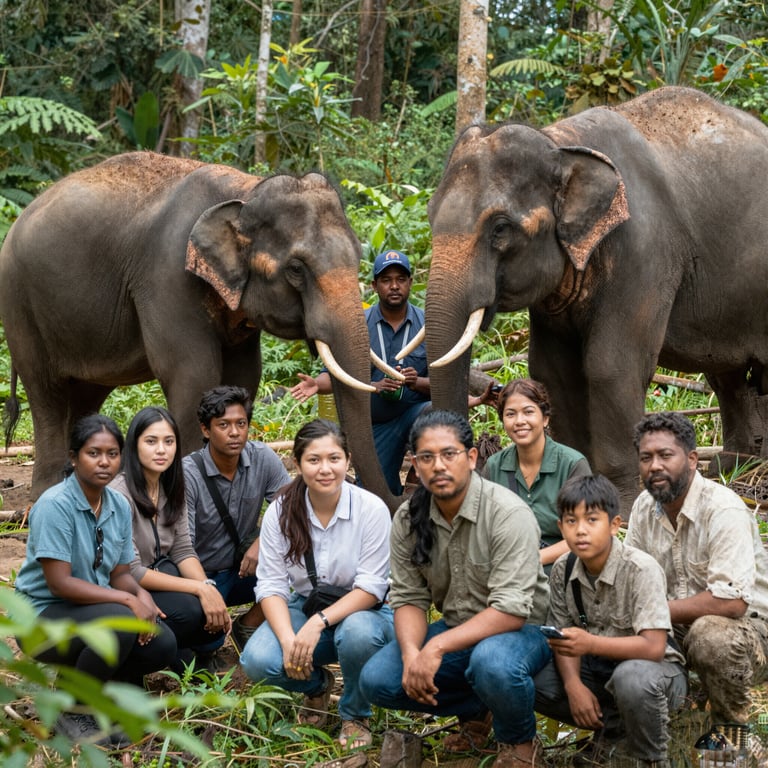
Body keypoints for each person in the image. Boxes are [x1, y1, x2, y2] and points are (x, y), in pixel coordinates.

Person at [359, 410, 551, 768]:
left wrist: (436, 646)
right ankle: (478, 709)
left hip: (525, 631)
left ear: (472, 457)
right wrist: (412, 654)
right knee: (378, 679)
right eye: (427, 457)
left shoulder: (507, 513)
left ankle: (520, 743)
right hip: (458, 628)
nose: (438, 466)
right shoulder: (408, 518)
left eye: (450, 454)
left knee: (491, 661)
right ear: (414, 463)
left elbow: (511, 610)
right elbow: (409, 598)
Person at [15, 414, 176, 746]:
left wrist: (141, 595)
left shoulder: (116, 503)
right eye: (94, 453)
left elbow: (119, 574)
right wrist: (127, 600)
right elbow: (60, 584)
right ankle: (72, 711)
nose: (104, 462)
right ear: (74, 457)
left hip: (88, 611)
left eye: (113, 453)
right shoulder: (55, 505)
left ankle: (108, 696)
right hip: (42, 617)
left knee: (163, 642)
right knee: (119, 621)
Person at [239, 419, 394, 749]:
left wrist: (316, 624)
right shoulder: (280, 511)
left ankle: (355, 713)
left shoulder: (371, 509)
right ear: (297, 463)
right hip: (306, 603)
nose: (325, 469)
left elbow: (371, 587)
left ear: (348, 460)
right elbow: (271, 584)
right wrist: (287, 640)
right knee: (258, 660)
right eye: (313, 460)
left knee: (358, 634)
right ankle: (317, 686)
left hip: (366, 611)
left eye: (334, 459)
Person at [625, 411, 768, 745]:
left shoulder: (723, 509)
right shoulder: (644, 508)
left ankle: (732, 734)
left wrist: (654, 610)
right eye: (646, 458)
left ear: (691, 460)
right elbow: (630, 578)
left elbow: (730, 602)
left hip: (754, 631)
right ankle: (633, 733)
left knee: (709, 636)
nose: (654, 466)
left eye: (665, 455)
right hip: (677, 628)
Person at [534, 474, 687, 768]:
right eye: (571, 521)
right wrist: (573, 686)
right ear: (560, 527)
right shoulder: (563, 571)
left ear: (615, 525)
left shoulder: (640, 569)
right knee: (533, 678)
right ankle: (613, 735)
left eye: (592, 520)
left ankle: (652, 758)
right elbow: (564, 640)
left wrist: (590, 642)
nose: (581, 531)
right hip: (599, 674)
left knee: (631, 679)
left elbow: (654, 648)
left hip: (657, 676)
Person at [291, 249, 430, 496]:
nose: (394, 286)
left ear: (410, 283)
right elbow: (334, 374)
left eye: (400, 279)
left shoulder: (428, 323)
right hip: (374, 426)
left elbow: (443, 381)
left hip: (414, 414)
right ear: (375, 286)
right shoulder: (358, 324)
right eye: (386, 280)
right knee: (375, 493)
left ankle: (421, 484)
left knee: (433, 414)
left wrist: (416, 381)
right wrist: (316, 384)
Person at [111, 406, 232, 673]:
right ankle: (128, 663)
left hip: (157, 576)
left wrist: (208, 588)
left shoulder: (173, 485)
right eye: (151, 441)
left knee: (207, 616)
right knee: (190, 611)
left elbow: (182, 549)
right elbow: (130, 569)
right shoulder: (120, 494)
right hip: (123, 587)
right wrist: (199, 590)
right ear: (134, 445)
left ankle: (173, 650)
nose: (161, 450)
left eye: (169, 441)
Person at [183, 386, 290, 655]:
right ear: (206, 430)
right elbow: (182, 548)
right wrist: (205, 590)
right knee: (207, 640)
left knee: (305, 570)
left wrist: (263, 541)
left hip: (244, 571)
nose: (234, 432)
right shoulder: (188, 474)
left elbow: (292, 508)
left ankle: (248, 625)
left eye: (241, 424)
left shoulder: (261, 457)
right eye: (224, 425)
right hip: (200, 575)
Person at [480, 379, 591, 571]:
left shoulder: (572, 464)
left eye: (528, 412)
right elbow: (482, 532)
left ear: (545, 418)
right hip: (508, 572)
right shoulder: (494, 466)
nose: (520, 421)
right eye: (510, 414)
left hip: (563, 571)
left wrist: (533, 559)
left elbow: (586, 534)